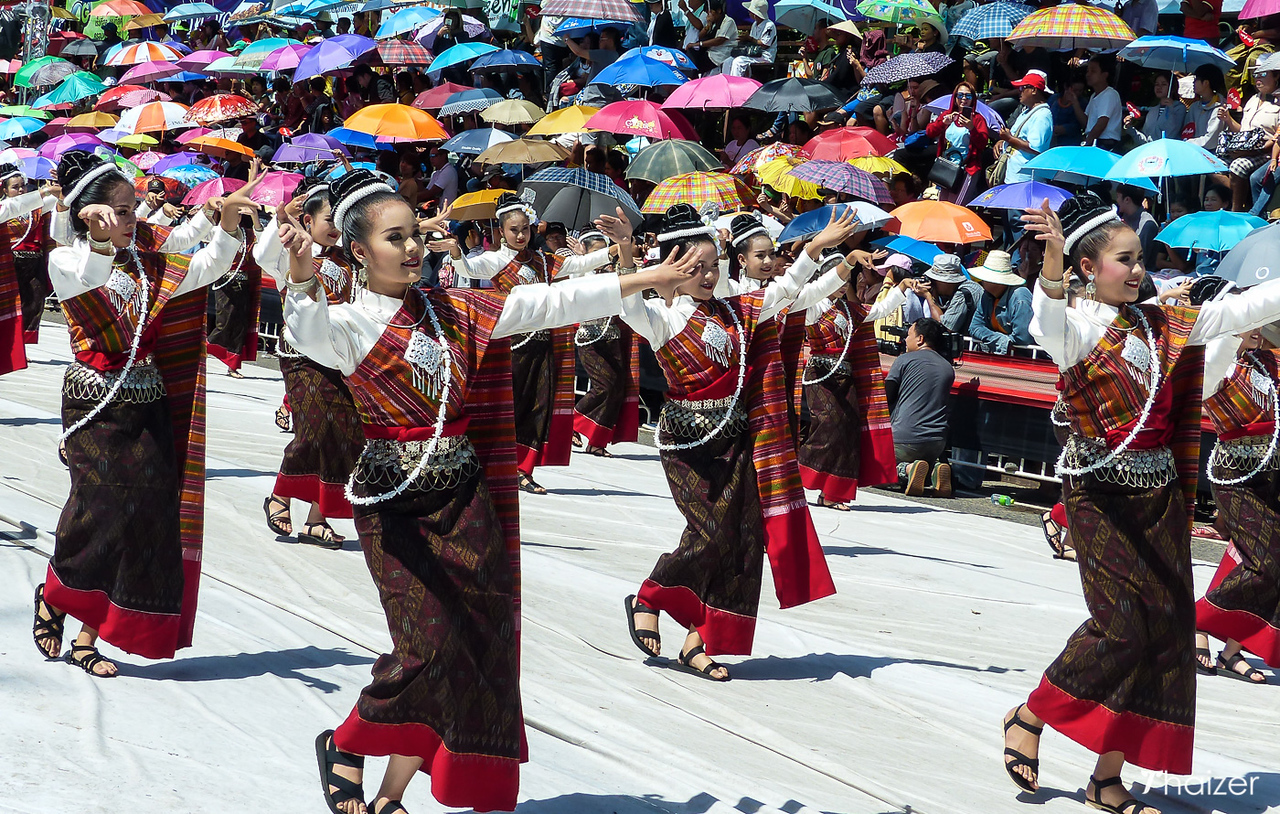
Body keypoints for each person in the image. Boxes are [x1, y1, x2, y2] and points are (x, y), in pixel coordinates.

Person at [279, 171, 697, 814]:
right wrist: (303, 277)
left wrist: (639, 279)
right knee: (427, 646)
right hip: (397, 508)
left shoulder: (458, 310)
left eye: (416, 233)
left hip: (466, 502)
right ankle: (347, 742)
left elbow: (552, 303)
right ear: (359, 251)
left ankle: (391, 794)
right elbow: (304, 336)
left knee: (473, 643)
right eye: (397, 238)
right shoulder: (348, 325)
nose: (415, 247)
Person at [1004, 191, 1280, 813]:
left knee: (1165, 634)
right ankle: (1031, 713)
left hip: (1159, 498)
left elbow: (1252, 307)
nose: (1138, 270)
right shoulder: (1075, 330)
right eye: (1124, 260)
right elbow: (1043, 326)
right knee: (1121, 626)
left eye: (1141, 259)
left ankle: (1108, 776)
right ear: (1086, 268)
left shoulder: (1163, 323)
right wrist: (1048, 266)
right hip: (1099, 498)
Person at [29, 152, 259, 678]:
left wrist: (223, 223)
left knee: (146, 516)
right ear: (89, 213)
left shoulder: (148, 265)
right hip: (93, 402)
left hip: (148, 402)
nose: (137, 220)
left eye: (135, 210)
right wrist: (104, 241)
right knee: (99, 507)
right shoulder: (66, 259)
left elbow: (207, 265)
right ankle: (58, 590)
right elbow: (89, 275)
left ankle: (91, 635)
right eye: (125, 211)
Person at [618, 205, 852, 681]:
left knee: (743, 540)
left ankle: (699, 641)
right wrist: (626, 250)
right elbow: (628, 305)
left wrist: (816, 249)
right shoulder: (663, 318)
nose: (707, 276)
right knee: (708, 533)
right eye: (695, 267)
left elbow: (786, 291)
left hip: (737, 441)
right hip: (689, 446)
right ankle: (651, 594)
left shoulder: (735, 310)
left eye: (713, 266)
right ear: (674, 266)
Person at [446, 192, 639, 494]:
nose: (521, 235)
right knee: (508, 409)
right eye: (513, 230)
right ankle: (489, 464)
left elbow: (580, 264)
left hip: (542, 345)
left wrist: (615, 249)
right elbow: (469, 270)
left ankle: (523, 469)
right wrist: (456, 253)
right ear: (501, 231)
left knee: (539, 409)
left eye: (525, 229)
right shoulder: (496, 261)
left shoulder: (543, 261)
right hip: (508, 347)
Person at [254, 178, 367, 548]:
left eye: (340, 221)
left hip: (338, 355)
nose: (334, 228)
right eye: (329, 219)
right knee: (313, 430)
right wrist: (280, 220)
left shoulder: (349, 259)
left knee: (344, 432)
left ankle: (317, 518)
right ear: (308, 219)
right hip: (301, 356)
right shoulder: (292, 252)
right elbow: (262, 256)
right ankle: (281, 495)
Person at [1193, 318, 1280, 684]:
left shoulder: (1267, 361)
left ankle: (1232, 649)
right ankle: (1194, 620)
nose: (1257, 329)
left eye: (1261, 322)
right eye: (1250, 322)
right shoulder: (1216, 366)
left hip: (1272, 475)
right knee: (1266, 560)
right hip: (1236, 478)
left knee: (1245, 560)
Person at [798, 247, 919, 509]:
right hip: (821, 376)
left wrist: (902, 288)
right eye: (837, 280)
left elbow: (877, 311)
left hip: (846, 377)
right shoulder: (811, 306)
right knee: (829, 426)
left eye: (845, 281)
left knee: (848, 432)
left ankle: (833, 493)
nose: (842, 286)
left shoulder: (848, 309)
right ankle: (792, 472)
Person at [570, 231, 642, 456]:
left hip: (613, 336)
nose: (602, 256)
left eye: (605, 251)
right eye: (596, 252)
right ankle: (570, 423)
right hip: (589, 337)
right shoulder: (580, 272)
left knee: (617, 389)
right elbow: (577, 290)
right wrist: (584, 264)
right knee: (605, 385)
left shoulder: (614, 271)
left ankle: (597, 442)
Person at [885, 317, 955, 497]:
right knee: (921, 464)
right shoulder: (948, 367)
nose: (904, 340)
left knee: (874, 471)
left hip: (904, 439)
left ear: (920, 339)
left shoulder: (904, 360)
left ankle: (906, 470)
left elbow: (886, 397)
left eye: (908, 335)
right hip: (936, 442)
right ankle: (934, 472)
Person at [206, 212, 263, 379]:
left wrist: (255, 218)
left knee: (241, 325)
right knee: (224, 321)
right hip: (225, 283)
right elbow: (199, 234)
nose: (234, 218)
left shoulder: (249, 234)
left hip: (244, 283)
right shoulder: (218, 231)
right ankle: (204, 348)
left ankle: (233, 366)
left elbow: (263, 241)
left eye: (237, 215)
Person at [925, 80, 989, 203]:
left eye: (968, 96)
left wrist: (972, 128)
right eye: (960, 95)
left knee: (957, 206)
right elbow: (929, 132)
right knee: (943, 204)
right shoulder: (947, 115)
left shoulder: (977, 119)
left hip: (966, 170)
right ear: (954, 98)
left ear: (973, 99)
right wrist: (942, 123)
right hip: (946, 168)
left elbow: (983, 143)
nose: (963, 98)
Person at [968, 251, 1033, 354]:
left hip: (1025, 360)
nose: (981, 281)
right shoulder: (986, 296)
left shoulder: (1020, 298)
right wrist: (1001, 340)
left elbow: (1023, 338)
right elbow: (974, 326)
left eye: (984, 278)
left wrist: (993, 339)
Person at [999, 71, 1054, 184]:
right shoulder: (1026, 111)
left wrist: (1009, 138)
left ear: (1034, 90)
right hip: (1014, 176)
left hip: (1027, 180)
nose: (1020, 92)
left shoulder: (1042, 115)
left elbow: (1035, 147)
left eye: (1023, 88)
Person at [920, 253, 982, 335]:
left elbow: (943, 328)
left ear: (945, 281)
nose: (932, 283)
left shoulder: (962, 294)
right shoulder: (970, 286)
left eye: (934, 280)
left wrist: (928, 296)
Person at [1072, 56, 1123, 150]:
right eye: (1087, 71)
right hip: (1095, 141)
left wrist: (1087, 144)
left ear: (1105, 75)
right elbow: (1086, 123)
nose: (1088, 75)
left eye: (1093, 71)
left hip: (1105, 143)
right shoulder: (1094, 96)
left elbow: (1102, 122)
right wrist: (1074, 102)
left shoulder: (1109, 94)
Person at [1125, 73, 1189, 144]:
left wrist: (1171, 108)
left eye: (1164, 84)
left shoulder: (1179, 108)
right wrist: (1130, 128)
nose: (1159, 87)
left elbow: (1172, 133)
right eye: (1157, 84)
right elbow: (1145, 140)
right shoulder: (1153, 110)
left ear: (1172, 88)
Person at [726, 0, 777, 78]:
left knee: (739, 61)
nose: (749, 13)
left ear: (756, 14)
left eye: (751, 11)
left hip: (764, 56)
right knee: (728, 61)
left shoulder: (769, 25)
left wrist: (749, 38)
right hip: (753, 53)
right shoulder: (755, 24)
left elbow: (764, 45)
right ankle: (727, 84)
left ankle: (737, 84)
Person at [1186, 64, 1227, 154]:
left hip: (1211, 154)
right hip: (1191, 150)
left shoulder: (1220, 107)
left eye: (1196, 80)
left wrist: (1187, 143)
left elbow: (1210, 141)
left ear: (1206, 83)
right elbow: (1187, 131)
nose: (1193, 83)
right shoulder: (1194, 107)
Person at [1116, 186, 1160, 268]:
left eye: (1118, 196)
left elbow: (1142, 259)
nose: (1116, 200)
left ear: (1127, 200)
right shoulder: (1122, 219)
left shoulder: (1147, 224)